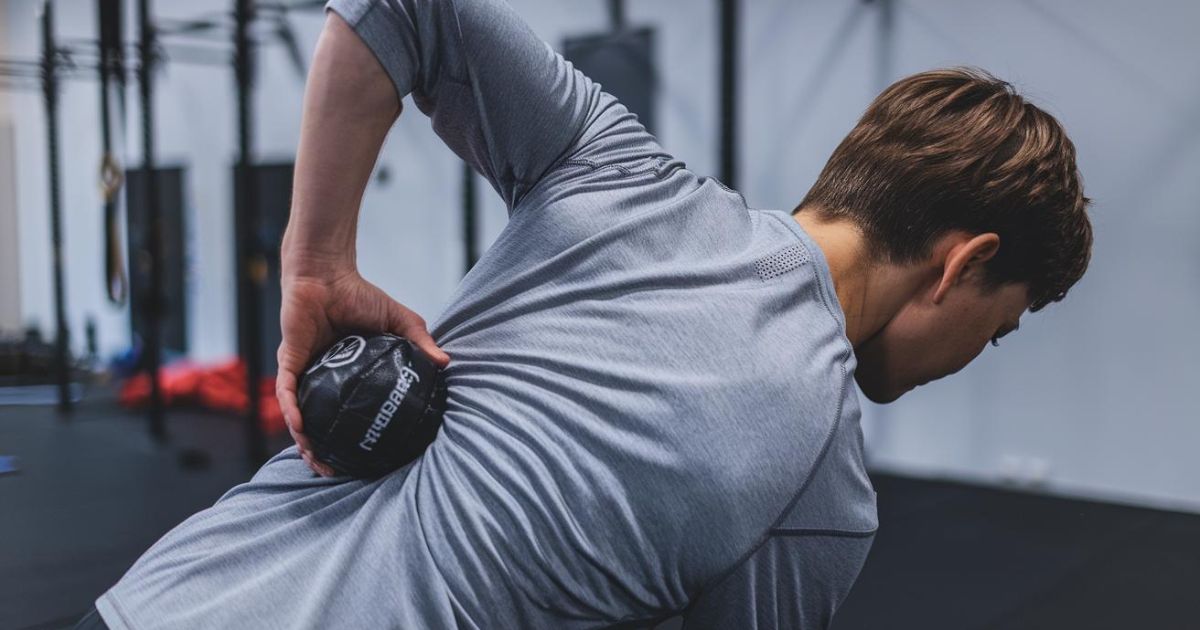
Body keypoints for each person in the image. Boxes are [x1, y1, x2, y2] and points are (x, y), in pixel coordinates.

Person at [85, 0, 1093, 628]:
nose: (974, 354)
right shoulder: (823, 493)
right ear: (965, 264)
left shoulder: (619, 176)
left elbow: (401, 6)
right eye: (997, 327)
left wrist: (314, 267)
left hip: (163, 600)